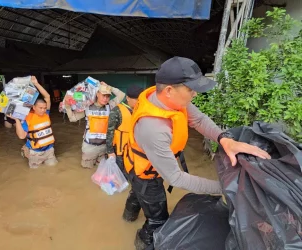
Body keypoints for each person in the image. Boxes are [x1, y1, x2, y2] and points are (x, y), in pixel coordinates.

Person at [122, 57, 271, 250]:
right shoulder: (154, 129)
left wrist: (225, 139)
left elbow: (199, 120)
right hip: (144, 174)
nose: (195, 94)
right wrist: (226, 188)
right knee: (157, 219)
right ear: (169, 90)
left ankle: (128, 215)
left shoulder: (169, 100)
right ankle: (143, 241)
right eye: (191, 89)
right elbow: (176, 178)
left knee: (139, 196)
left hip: (143, 160)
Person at [65, 81, 125, 168]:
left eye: (108, 96)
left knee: (100, 170)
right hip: (89, 147)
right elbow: (72, 118)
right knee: (86, 170)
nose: (106, 99)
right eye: (103, 95)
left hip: (104, 147)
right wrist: (67, 106)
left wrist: (109, 87)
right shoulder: (87, 107)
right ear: (97, 94)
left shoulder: (110, 106)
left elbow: (122, 95)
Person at [9, 76, 58, 169]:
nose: (43, 110)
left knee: (53, 168)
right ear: (34, 107)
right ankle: (25, 150)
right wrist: (16, 120)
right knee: (35, 172)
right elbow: (22, 136)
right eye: (40, 108)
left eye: (44, 108)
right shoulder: (27, 118)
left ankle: (25, 150)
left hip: (49, 150)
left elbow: (47, 96)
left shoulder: (46, 114)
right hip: (35, 152)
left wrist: (36, 83)